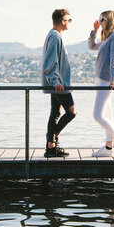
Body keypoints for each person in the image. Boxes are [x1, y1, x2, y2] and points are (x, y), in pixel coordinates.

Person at [87, 10, 114, 157]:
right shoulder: (107, 37)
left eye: (102, 20)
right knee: (107, 115)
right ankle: (108, 148)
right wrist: (94, 31)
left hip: (106, 80)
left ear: (108, 19)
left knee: (97, 115)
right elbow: (91, 47)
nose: (100, 22)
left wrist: (113, 79)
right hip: (100, 80)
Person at [41, 9, 77, 157]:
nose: (69, 23)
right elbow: (50, 61)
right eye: (69, 20)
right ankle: (53, 136)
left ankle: (51, 148)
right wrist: (56, 81)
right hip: (57, 84)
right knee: (71, 112)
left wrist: (67, 82)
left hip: (59, 83)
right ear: (62, 21)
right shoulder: (55, 37)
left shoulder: (54, 35)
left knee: (55, 113)